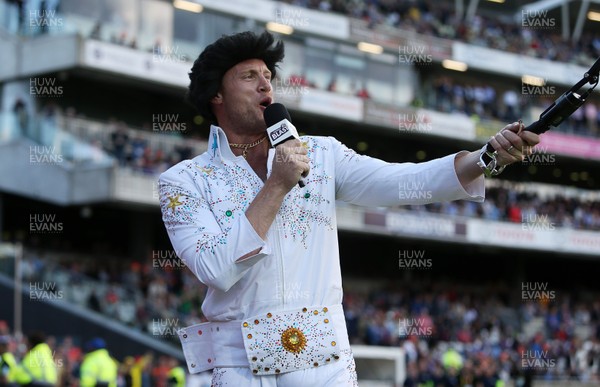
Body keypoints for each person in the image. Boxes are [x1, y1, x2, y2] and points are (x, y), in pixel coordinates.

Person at [158, 30, 539, 386]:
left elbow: (406, 182)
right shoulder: (185, 181)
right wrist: (277, 184)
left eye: (268, 75)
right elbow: (216, 268)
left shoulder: (321, 153)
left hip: (325, 367)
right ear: (216, 95)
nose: (265, 85)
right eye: (248, 76)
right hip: (238, 369)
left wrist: (487, 157)